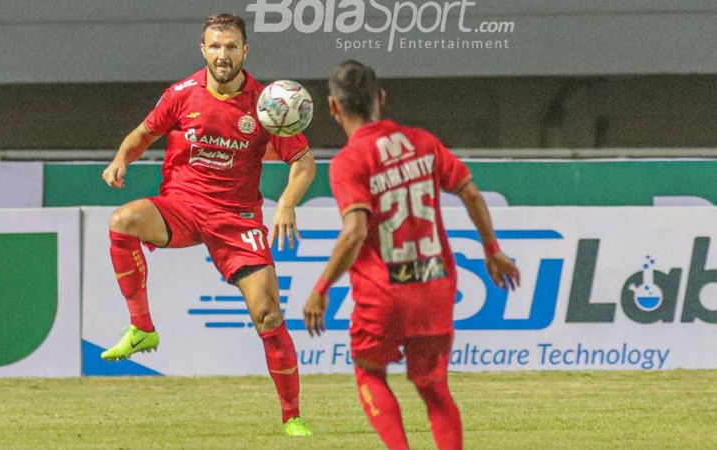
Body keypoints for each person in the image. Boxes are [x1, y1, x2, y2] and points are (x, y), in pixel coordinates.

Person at [100, 14, 315, 437]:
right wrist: (121, 158)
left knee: (269, 316)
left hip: (236, 219)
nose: (223, 54)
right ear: (203, 50)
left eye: (231, 46)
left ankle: (292, 417)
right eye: (215, 46)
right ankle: (142, 328)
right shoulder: (181, 94)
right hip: (182, 206)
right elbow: (142, 134)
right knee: (122, 221)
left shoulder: (266, 103)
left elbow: (303, 164)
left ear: (244, 51)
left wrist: (286, 203)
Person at [303, 60, 520, 450]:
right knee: (434, 389)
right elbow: (470, 192)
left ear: (334, 108)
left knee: (370, 374)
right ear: (380, 99)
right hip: (435, 284)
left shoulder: (349, 162)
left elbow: (354, 231)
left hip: (384, 292)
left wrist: (321, 288)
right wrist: (492, 251)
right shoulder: (422, 142)